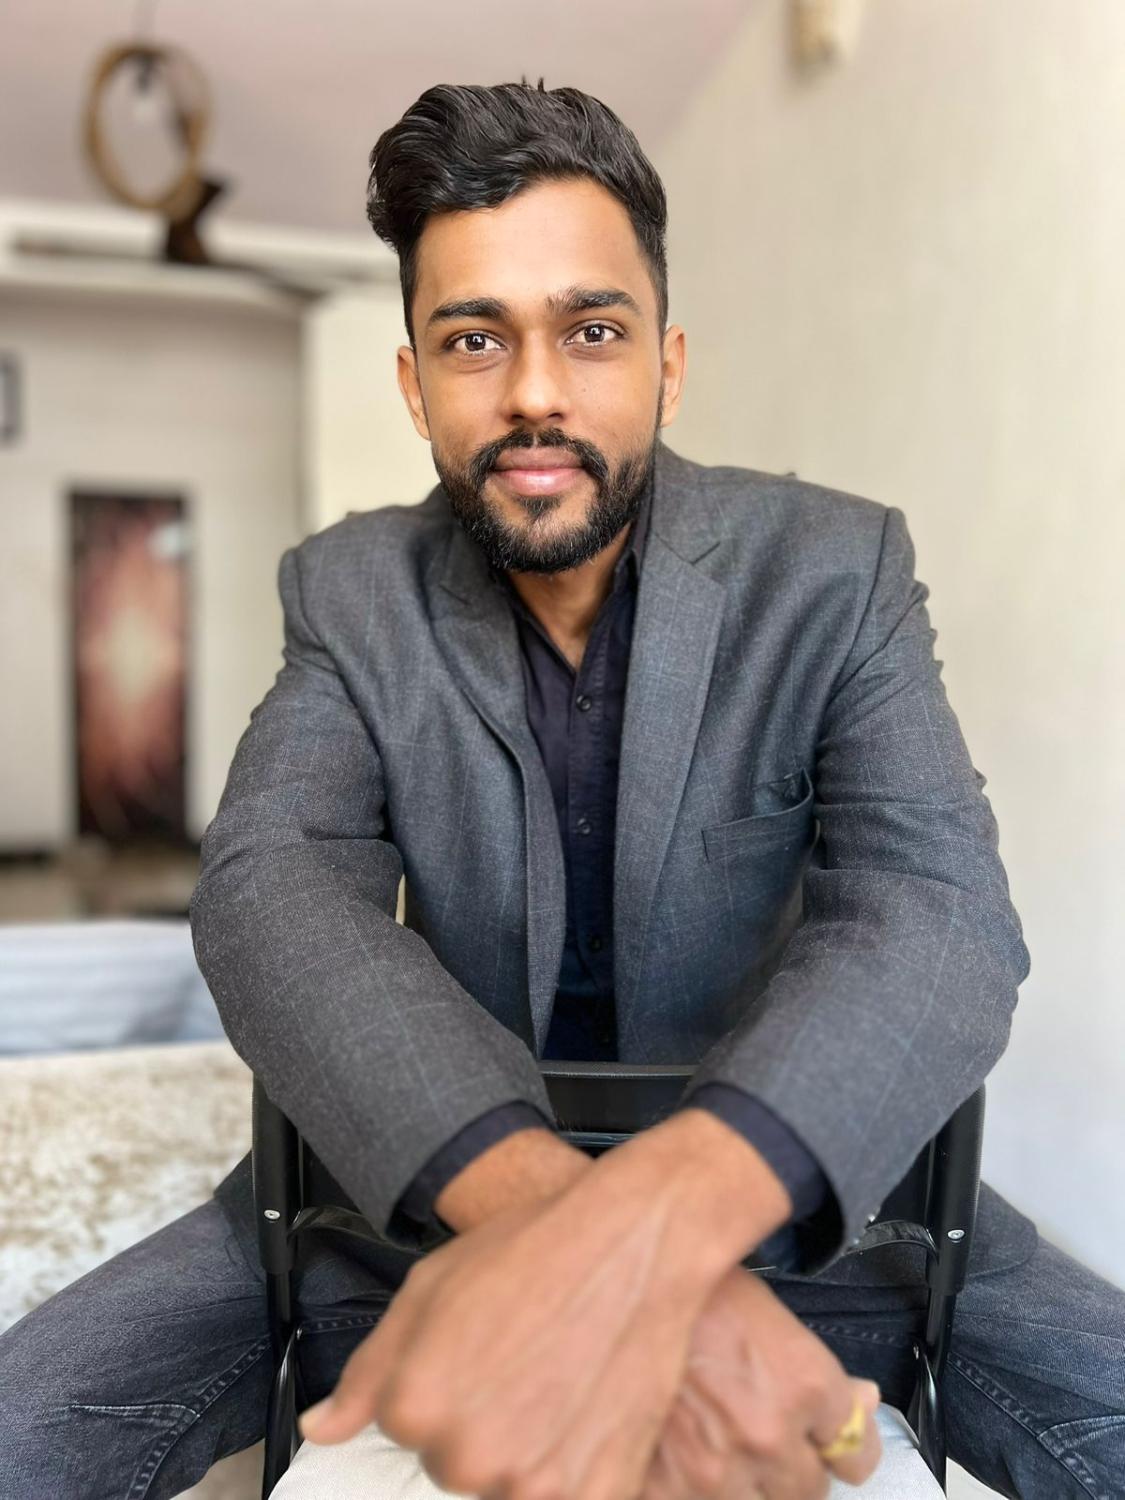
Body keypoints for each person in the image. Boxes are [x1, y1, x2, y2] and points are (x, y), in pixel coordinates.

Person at [1, 78, 1122, 1500]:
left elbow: (939, 917)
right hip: (409, 1221)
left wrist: (661, 1231)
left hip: (819, 1229)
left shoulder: (836, 573)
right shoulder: (350, 590)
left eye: (591, 330)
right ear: (414, 384)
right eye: (474, 339)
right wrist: (562, 1220)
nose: (533, 391)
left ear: (667, 364)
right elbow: (270, 896)